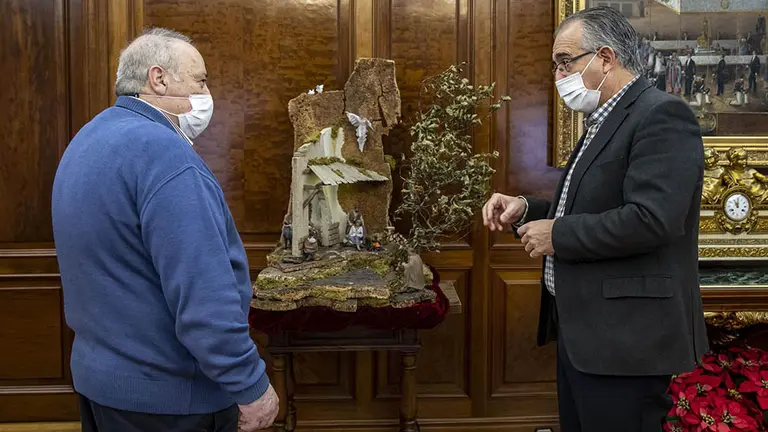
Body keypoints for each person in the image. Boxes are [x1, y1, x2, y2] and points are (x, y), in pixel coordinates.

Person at [482, 7, 707, 431]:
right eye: (556, 65)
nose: (558, 75)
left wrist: (558, 235)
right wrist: (527, 208)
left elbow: (653, 219)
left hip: (626, 341)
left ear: (605, 58)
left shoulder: (660, 115)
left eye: (565, 62)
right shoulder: (603, 120)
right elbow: (592, 207)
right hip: (588, 333)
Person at [51, 28, 278, 432]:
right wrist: (251, 385)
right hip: (170, 400)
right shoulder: (166, 156)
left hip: (102, 385)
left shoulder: (88, 137)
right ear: (158, 79)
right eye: (200, 81)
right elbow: (204, 294)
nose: (207, 93)